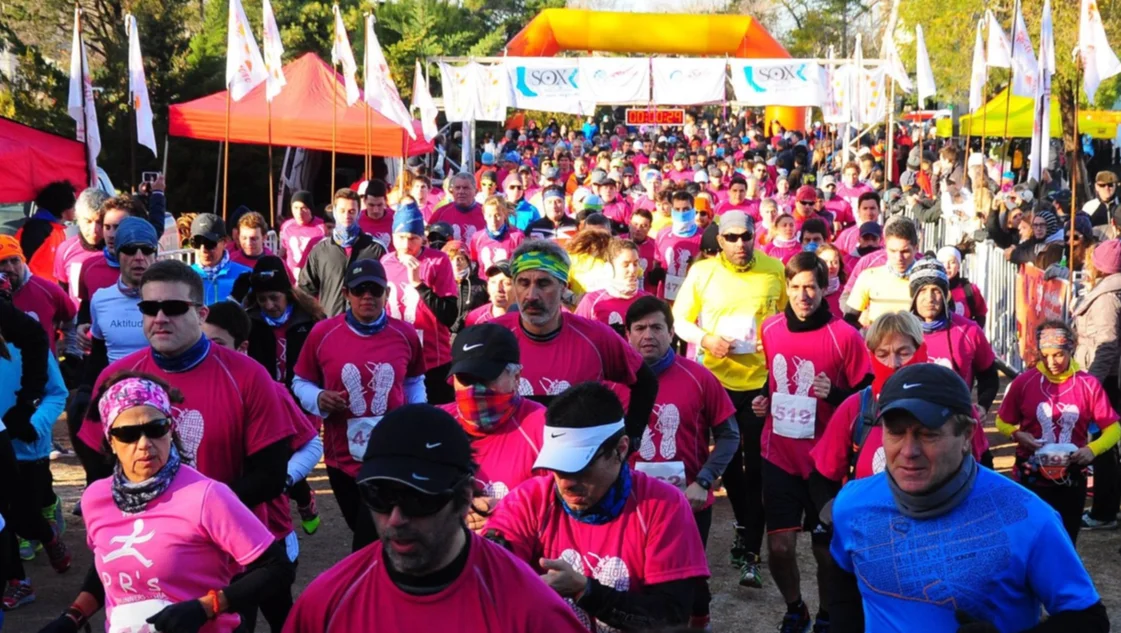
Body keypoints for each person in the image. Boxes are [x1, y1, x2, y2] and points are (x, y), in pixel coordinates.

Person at [829, 363, 1110, 633]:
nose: (908, 450)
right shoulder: (852, 505)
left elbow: (1090, 619)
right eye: (895, 432)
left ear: (967, 435)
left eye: (928, 434)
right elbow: (844, 587)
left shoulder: (1028, 516)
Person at [283, 404, 587, 633]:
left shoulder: (531, 611)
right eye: (379, 496)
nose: (395, 519)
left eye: (419, 499)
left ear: (464, 497)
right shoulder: (326, 605)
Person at [40, 374, 295, 633]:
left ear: (170, 430)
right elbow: (111, 566)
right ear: (111, 442)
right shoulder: (96, 498)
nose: (144, 444)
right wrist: (73, 617)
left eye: (156, 428)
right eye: (128, 434)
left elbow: (277, 567)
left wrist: (205, 608)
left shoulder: (207, 496)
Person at [75, 260, 298, 541]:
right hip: (146, 542)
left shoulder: (249, 375)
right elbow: (100, 469)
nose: (160, 318)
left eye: (174, 308)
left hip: (229, 543)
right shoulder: (117, 378)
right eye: (149, 308)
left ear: (201, 314)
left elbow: (270, 477)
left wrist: (193, 514)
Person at [484, 383, 710, 631]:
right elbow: (486, 574)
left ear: (621, 449)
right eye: (557, 468)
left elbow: (670, 619)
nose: (567, 483)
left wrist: (585, 591)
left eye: (581, 467)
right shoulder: (528, 501)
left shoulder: (663, 506)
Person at [747, 252, 871, 633]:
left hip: (826, 462)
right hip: (779, 453)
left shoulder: (845, 336)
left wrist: (834, 394)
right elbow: (772, 379)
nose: (803, 296)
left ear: (824, 288)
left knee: (825, 551)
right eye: (796, 287)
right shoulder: (770, 329)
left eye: (811, 288)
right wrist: (763, 400)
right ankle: (795, 608)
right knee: (779, 548)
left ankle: (827, 614)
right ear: (786, 287)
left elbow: (866, 396)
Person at [671, 210, 787, 589]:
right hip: (716, 383)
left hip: (759, 382)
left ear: (755, 236)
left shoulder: (774, 269)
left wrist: (772, 340)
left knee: (756, 467)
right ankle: (743, 526)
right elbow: (679, 320)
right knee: (729, 466)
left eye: (746, 236)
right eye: (732, 237)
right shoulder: (702, 273)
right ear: (719, 240)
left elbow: (785, 318)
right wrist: (706, 339)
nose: (740, 243)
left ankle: (751, 552)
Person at [621, 297, 740, 630]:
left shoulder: (699, 377)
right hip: (631, 500)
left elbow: (729, 435)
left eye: (656, 327)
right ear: (627, 334)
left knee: (689, 581)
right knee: (635, 576)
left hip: (689, 501)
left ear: (672, 332)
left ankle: (699, 620)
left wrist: (704, 480)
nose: (648, 335)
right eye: (640, 328)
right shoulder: (615, 383)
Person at [202, 301, 322, 629]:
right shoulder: (184, 390)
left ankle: (305, 501)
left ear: (242, 348)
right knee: (236, 620)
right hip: (215, 533)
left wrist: (282, 480)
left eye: (217, 344)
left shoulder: (267, 389)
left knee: (280, 614)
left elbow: (311, 444)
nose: (208, 352)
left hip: (270, 529)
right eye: (202, 342)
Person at [291, 259, 426, 550]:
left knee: (371, 538)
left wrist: (417, 417)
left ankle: (372, 577)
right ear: (346, 293)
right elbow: (300, 382)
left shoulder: (405, 334)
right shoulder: (322, 333)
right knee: (360, 526)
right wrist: (318, 397)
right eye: (359, 289)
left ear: (386, 293)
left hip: (391, 452)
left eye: (375, 289)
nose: (367, 296)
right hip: (341, 454)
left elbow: (414, 381)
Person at [995, 320, 1121, 543]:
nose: (1051, 362)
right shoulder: (1024, 382)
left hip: (1071, 476)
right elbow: (1002, 421)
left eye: (1058, 355)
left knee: (1066, 541)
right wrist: (1016, 434)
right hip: (1030, 475)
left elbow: (1113, 429)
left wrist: (1092, 449)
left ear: (1071, 348)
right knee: (1030, 541)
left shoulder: (1088, 384)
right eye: (1045, 355)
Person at [242, 256, 325, 535]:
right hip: (266, 401)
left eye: (274, 297)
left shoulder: (311, 319)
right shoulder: (249, 322)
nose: (268, 305)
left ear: (288, 293)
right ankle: (301, 500)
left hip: (302, 401)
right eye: (262, 299)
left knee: (293, 453)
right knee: (276, 458)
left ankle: (301, 499)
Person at [437, 324, 545, 530]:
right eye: (466, 379)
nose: (474, 390)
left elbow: (566, 507)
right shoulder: (434, 424)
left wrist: (509, 513)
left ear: (516, 377)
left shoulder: (542, 428)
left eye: (485, 378)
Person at [0, 328, 71, 610]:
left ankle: (47, 534)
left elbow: (57, 393)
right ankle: (18, 582)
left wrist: (33, 425)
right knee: (3, 519)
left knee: (22, 519)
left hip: (27, 448)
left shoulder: (28, 338)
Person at [382, 203, 459, 404]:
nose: (406, 244)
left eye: (413, 238)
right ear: (392, 236)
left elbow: (449, 315)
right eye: (401, 237)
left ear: (423, 238)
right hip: (396, 357)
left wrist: (418, 283)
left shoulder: (438, 261)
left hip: (433, 361)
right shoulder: (385, 263)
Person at [1073, 240, 1121, 530]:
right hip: (1106, 378)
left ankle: (1104, 511)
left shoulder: (1106, 299)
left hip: (1106, 381)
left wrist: (1091, 384)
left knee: (1103, 445)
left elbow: (1107, 345)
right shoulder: (1108, 292)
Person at [298, 188, 387, 317]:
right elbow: (305, 291)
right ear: (335, 212)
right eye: (342, 211)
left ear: (359, 213)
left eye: (352, 211)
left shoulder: (375, 248)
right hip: (329, 322)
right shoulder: (320, 250)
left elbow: (387, 288)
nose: (347, 216)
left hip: (366, 323)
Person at [0, 236, 75, 354]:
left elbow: (72, 320)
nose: (10, 268)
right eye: (2, 262)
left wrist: (72, 353)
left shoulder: (47, 290)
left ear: (23, 261)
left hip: (41, 364)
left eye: (15, 260)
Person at [845, 216, 919, 326]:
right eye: (893, 251)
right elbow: (849, 320)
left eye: (905, 251)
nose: (899, 257)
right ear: (885, 248)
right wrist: (865, 333)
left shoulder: (926, 280)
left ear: (916, 248)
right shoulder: (869, 277)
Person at [574, 239, 649, 336]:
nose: (632, 270)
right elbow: (576, 336)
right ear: (609, 268)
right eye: (625, 265)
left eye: (635, 264)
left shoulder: (648, 300)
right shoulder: (592, 301)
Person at [54, 188, 108, 301]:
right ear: (78, 218)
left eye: (100, 222)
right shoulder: (66, 250)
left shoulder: (121, 250)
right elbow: (62, 295)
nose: (94, 229)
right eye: (88, 221)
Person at [17, 181, 75, 284]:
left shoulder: (57, 230)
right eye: (74, 204)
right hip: (34, 290)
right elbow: (19, 267)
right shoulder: (36, 229)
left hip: (49, 290)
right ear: (64, 208)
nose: (76, 208)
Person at [189, 213, 253, 305]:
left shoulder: (246, 275)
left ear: (225, 242)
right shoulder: (185, 277)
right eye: (197, 242)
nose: (203, 249)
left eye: (210, 243)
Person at [652, 191, 704, 302]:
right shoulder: (662, 234)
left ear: (693, 210)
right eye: (677, 209)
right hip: (664, 300)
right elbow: (657, 261)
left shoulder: (703, 237)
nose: (681, 213)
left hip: (692, 301)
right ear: (672, 210)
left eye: (686, 209)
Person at [277, 191, 328, 283]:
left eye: (303, 208)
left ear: (310, 208)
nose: (299, 213)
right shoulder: (286, 226)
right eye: (295, 208)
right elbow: (283, 250)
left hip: (313, 279)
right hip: (292, 280)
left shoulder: (322, 227)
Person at [470, 196, 524, 275]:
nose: (493, 220)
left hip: (507, 281)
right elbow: (474, 263)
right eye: (489, 215)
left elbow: (522, 265)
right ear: (484, 216)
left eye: (497, 215)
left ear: (505, 214)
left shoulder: (517, 237)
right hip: (484, 281)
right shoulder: (477, 238)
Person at [936, 246, 987, 328]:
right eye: (942, 262)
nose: (947, 266)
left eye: (952, 262)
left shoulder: (970, 289)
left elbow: (980, 314)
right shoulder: (931, 289)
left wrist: (972, 332)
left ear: (959, 265)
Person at [443, 240, 488, 334]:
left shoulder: (482, 285)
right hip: (447, 336)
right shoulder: (441, 285)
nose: (456, 263)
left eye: (460, 259)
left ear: (468, 261)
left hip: (474, 334)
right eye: (451, 259)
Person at [429, 172, 487, 242]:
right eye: (457, 188)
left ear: (476, 191)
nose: (461, 191)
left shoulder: (486, 213)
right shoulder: (440, 213)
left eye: (465, 188)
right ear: (452, 190)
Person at [357, 179, 393, 246]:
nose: (375, 210)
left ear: (385, 201)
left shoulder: (396, 218)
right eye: (371, 205)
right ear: (364, 201)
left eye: (379, 205)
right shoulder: (356, 220)